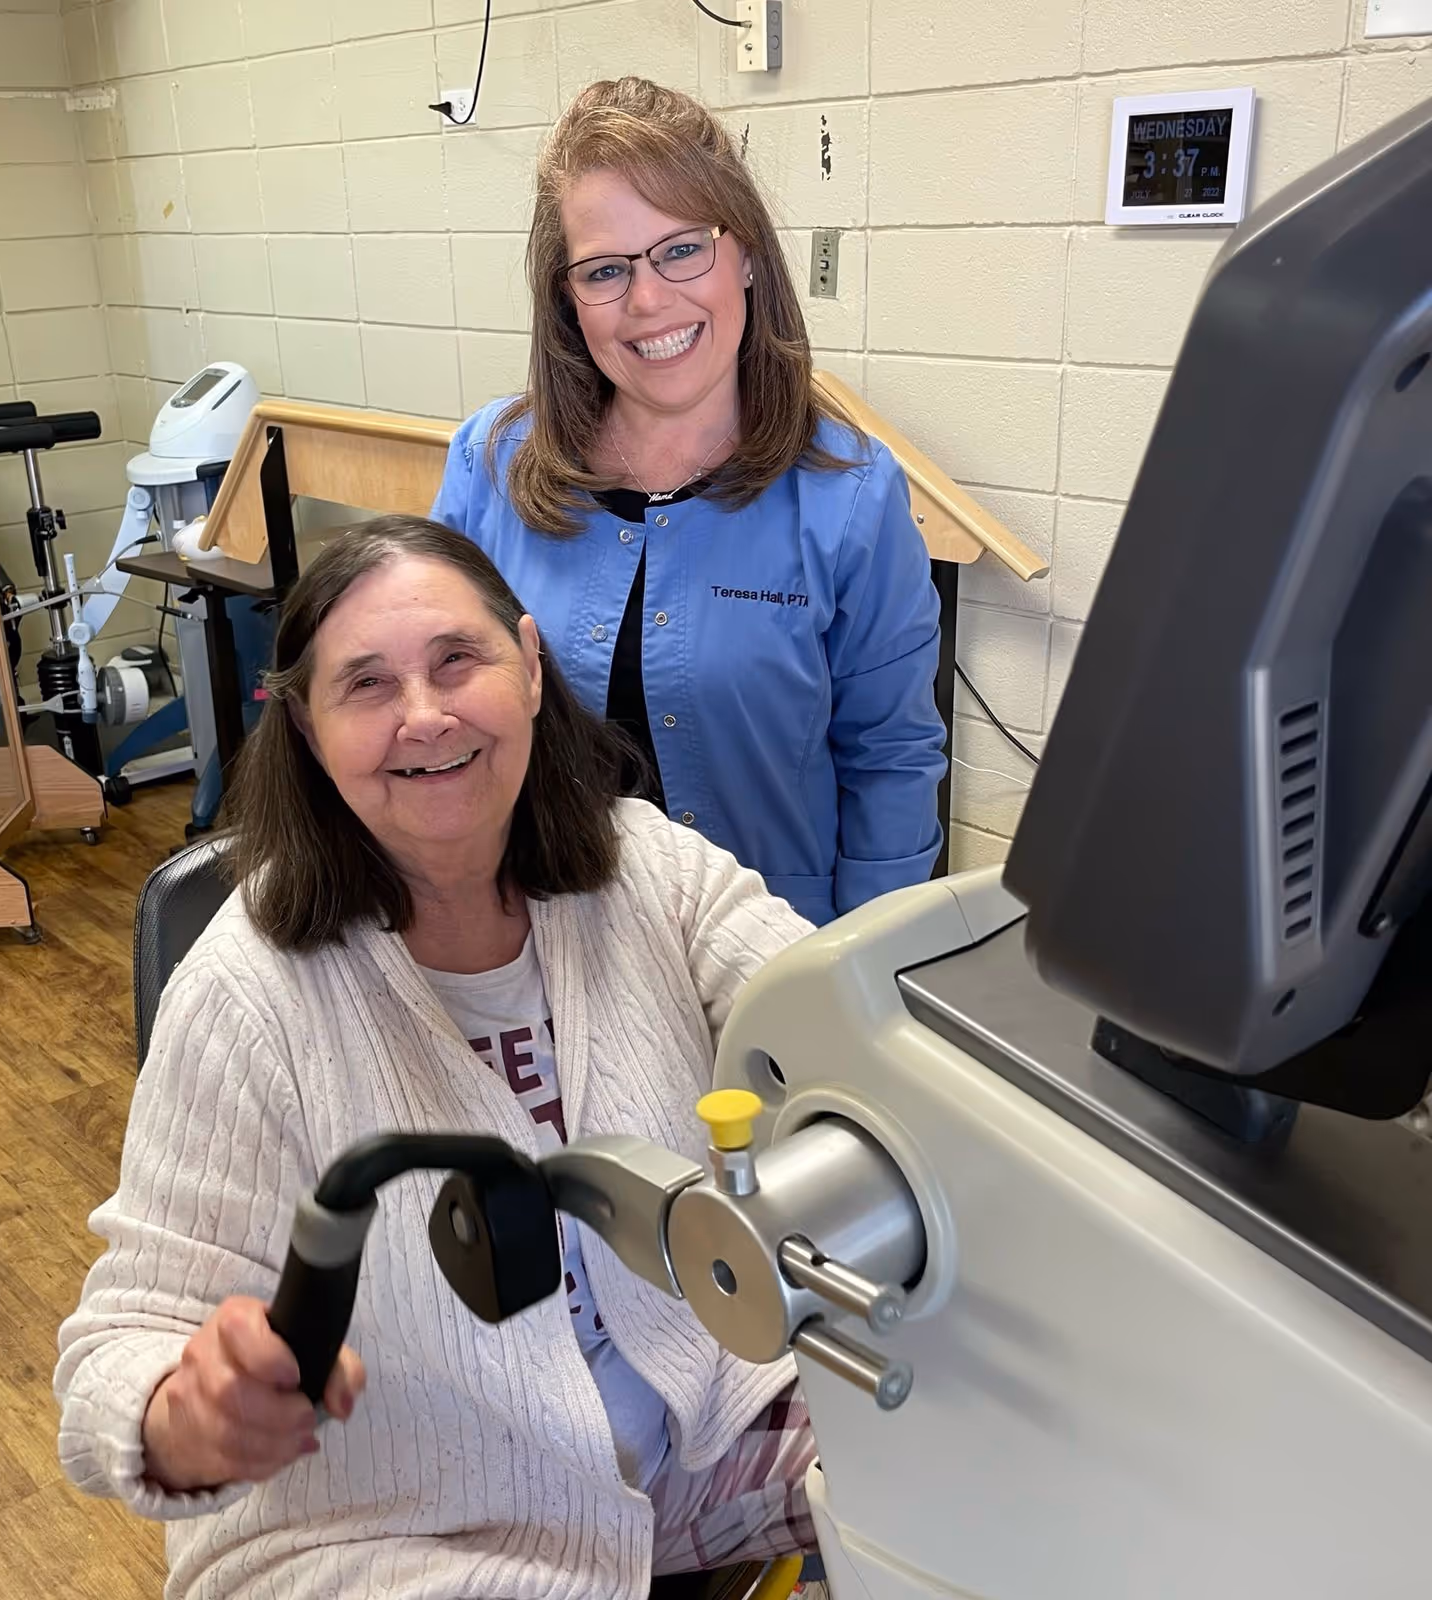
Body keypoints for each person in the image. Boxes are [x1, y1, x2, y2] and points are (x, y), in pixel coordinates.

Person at [54, 516, 821, 1599]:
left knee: (990, 1449)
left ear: (532, 666)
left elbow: (829, 1018)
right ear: (311, 734)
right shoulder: (247, 991)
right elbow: (115, 1355)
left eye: (457, 660)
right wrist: (185, 1413)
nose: (425, 715)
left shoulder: (648, 868)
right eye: (365, 685)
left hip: (693, 1451)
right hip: (408, 1535)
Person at [432, 76, 948, 929]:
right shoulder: (490, 465)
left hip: (772, 960)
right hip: (546, 942)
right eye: (604, 270)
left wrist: (859, 983)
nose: (647, 301)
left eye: (681, 249)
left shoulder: (851, 495)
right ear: (567, 298)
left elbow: (891, 759)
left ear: (744, 252)